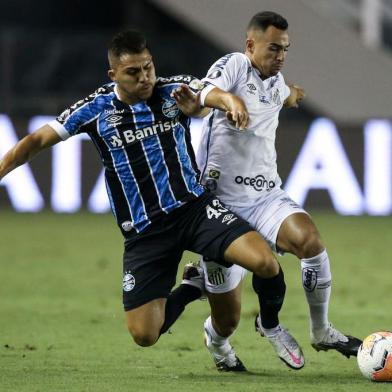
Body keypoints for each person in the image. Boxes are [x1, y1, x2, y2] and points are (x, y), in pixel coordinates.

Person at [0, 29, 288, 355]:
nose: (145, 77)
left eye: (148, 67)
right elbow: (36, 141)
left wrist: (229, 100)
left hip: (194, 209)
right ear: (113, 75)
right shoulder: (95, 110)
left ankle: (269, 324)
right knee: (145, 334)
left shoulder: (172, 91)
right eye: (133, 72)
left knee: (264, 262)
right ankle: (194, 285)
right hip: (145, 232)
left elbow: (208, 93)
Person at [174, 11, 362, 371]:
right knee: (227, 319)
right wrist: (230, 102)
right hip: (220, 207)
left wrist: (294, 95)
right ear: (251, 44)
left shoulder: (276, 83)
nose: (280, 57)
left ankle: (321, 330)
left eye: (285, 50)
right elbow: (203, 92)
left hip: (265, 197)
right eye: (274, 49)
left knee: (311, 242)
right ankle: (218, 345)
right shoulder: (233, 65)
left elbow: (282, 96)